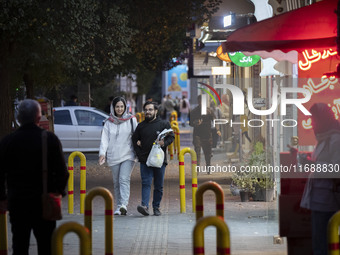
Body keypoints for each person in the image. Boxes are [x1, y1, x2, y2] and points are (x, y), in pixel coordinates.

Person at [0, 99, 69, 255]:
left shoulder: (8, 141)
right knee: (46, 245)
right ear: (39, 118)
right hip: (44, 201)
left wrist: (3, 197)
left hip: (17, 202)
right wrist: (58, 191)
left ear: (19, 118)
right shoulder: (49, 139)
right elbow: (62, 172)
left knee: (19, 244)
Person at [300, 103, 340, 255]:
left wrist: (313, 164)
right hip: (318, 199)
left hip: (328, 201)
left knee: (323, 244)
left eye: (314, 119)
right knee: (319, 241)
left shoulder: (335, 140)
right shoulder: (323, 138)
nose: (312, 124)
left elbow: (336, 169)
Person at [132, 101, 174, 216]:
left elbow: (172, 137)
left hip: (160, 160)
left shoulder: (164, 124)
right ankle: (145, 206)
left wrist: (163, 142)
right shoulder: (141, 126)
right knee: (146, 183)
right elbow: (134, 140)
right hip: (145, 160)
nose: (147, 112)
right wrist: (139, 155)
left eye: (150, 110)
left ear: (156, 111)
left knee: (158, 185)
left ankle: (156, 207)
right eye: (146, 110)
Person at [99, 96, 138, 216]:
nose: (120, 109)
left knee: (123, 179)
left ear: (125, 107)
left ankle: (123, 206)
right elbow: (104, 139)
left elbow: (137, 135)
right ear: (113, 108)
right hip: (113, 155)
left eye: (122, 106)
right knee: (116, 182)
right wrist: (102, 153)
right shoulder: (108, 122)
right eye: (117, 106)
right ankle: (118, 206)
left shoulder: (132, 120)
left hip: (128, 154)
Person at [189, 95, 220, 173]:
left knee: (208, 153)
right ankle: (197, 169)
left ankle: (208, 169)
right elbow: (190, 123)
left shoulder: (209, 111)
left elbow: (215, 120)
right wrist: (196, 123)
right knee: (197, 152)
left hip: (207, 134)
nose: (201, 103)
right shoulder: (194, 111)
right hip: (197, 135)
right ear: (198, 101)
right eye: (200, 101)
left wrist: (217, 130)